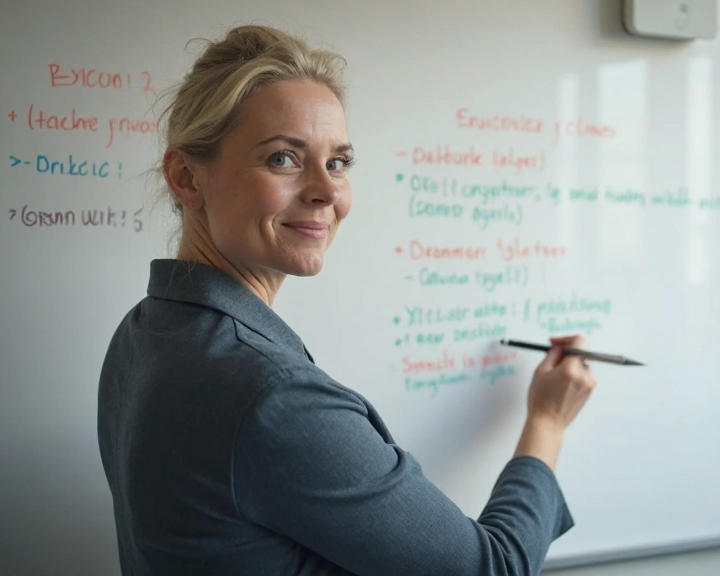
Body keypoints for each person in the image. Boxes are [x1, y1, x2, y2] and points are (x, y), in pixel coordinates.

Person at [96, 24, 597, 576]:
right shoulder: (271, 397)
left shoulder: (144, 332)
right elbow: (492, 569)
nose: (328, 191)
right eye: (284, 159)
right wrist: (547, 422)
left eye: (338, 162)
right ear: (187, 177)